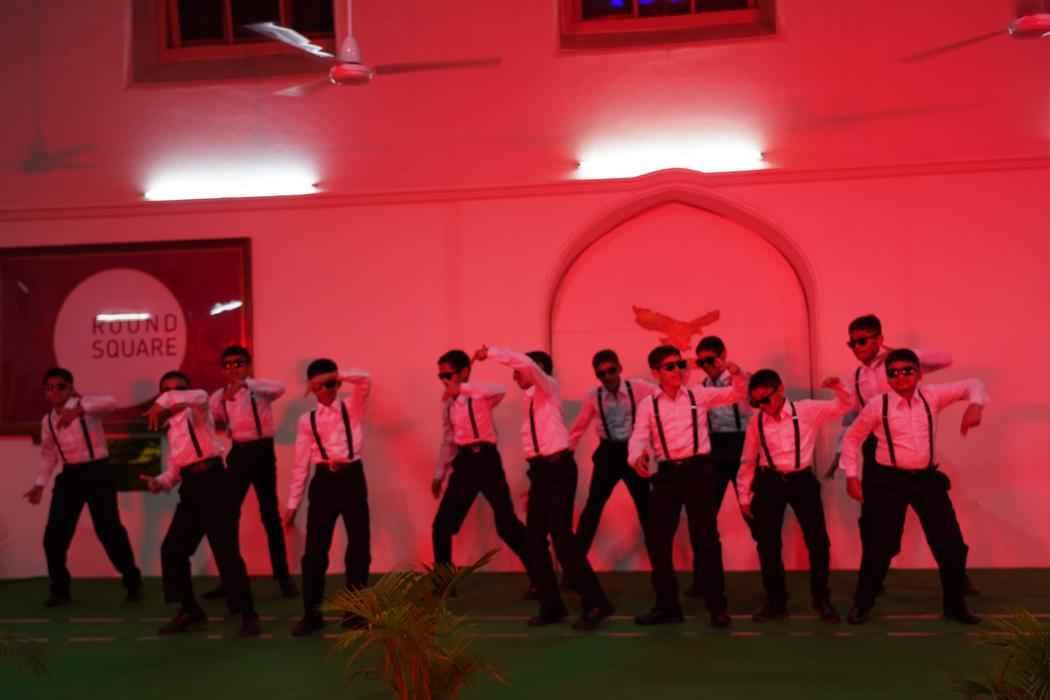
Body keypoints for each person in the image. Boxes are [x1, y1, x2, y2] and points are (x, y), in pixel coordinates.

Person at [832, 314, 977, 596]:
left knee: (942, 527)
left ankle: (957, 576)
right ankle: (874, 580)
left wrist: (901, 354)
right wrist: (842, 457)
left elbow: (946, 358)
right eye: (852, 343)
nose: (856, 348)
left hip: (911, 448)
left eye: (862, 341)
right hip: (876, 451)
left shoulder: (900, 364)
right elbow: (852, 420)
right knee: (874, 522)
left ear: (879, 339)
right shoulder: (856, 377)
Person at [474, 345, 614, 631]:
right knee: (533, 540)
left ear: (535, 370)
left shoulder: (548, 387)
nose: (515, 376)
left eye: (519, 371)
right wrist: (534, 482)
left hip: (558, 470)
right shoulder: (530, 401)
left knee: (563, 541)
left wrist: (492, 353)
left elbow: (525, 365)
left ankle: (597, 603)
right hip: (542, 473)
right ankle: (552, 606)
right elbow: (537, 448)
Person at [627, 345, 747, 628]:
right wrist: (635, 456)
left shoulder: (698, 395)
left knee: (706, 540)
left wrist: (737, 374)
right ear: (656, 372)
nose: (678, 371)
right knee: (657, 540)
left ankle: (717, 607)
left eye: (680, 364)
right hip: (667, 474)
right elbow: (638, 436)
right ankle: (667, 606)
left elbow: (736, 394)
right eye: (670, 366)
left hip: (699, 470)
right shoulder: (648, 405)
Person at [140, 370, 260, 637]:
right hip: (191, 489)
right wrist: (160, 482)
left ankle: (248, 614)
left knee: (226, 553)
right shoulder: (171, 428)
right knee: (173, 550)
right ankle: (190, 610)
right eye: (167, 390)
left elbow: (201, 395)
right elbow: (175, 468)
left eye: (179, 388)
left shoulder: (198, 411)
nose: (173, 394)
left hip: (215, 483)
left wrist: (165, 400)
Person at [736, 369, 851, 623]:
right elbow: (747, 460)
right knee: (767, 544)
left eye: (766, 399)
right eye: (756, 402)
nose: (762, 407)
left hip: (802, 481)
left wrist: (838, 386)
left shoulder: (806, 410)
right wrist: (743, 497)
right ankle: (775, 602)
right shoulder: (756, 422)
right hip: (769, 481)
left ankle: (821, 599)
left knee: (818, 542)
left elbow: (844, 406)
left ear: (780, 390)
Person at [24, 368, 142, 607]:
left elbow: (112, 402)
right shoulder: (48, 421)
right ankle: (60, 591)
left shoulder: (87, 406)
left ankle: (132, 579)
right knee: (54, 536)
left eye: (60, 386)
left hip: (98, 472)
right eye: (50, 387)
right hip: (70, 476)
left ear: (70, 388)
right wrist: (39, 484)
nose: (55, 391)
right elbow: (49, 455)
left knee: (109, 530)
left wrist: (79, 410)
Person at [431, 349, 534, 597]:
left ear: (464, 372)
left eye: (448, 375)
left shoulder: (480, 394)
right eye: (441, 376)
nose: (444, 380)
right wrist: (439, 473)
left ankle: (540, 576)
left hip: (487, 461)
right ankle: (444, 583)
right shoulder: (448, 404)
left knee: (507, 524)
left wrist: (462, 388)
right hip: (464, 463)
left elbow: (500, 390)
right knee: (441, 525)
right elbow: (448, 440)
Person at [202, 345, 297, 601]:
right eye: (228, 365)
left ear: (248, 366)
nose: (233, 368)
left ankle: (283, 577)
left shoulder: (259, 389)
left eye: (238, 363)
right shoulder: (217, 396)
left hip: (262, 452)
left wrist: (245, 385)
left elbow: (280, 388)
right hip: (238, 453)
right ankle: (230, 578)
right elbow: (210, 420)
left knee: (270, 515)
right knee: (227, 515)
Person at [285, 359, 372, 637]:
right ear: (312, 388)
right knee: (314, 552)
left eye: (332, 383)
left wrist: (338, 374)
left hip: (352, 478)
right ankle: (312, 613)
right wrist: (292, 503)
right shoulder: (306, 420)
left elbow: (365, 379)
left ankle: (355, 613)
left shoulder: (351, 407)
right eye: (321, 385)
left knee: (359, 547)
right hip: (323, 482)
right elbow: (300, 465)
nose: (329, 390)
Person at [566, 349, 656, 562]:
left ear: (619, 368)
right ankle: (575, 566)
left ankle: (660, 565)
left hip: (635, 453)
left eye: (611, 370)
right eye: (601, 374)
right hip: (608, 454)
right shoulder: (593, 397)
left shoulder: (641, 389)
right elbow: (578, 428)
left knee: (647, 508)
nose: (607, 377)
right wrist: (563, 454)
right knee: (593, 508)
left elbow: (666, 401)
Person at [685, 336, 755, 598]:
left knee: (753, 514)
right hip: (712, 451)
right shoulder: (701, 387)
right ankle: (702, 579)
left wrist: (736, 373)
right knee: (703, 517)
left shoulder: (742, 379)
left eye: (711, 360)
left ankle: (773, 581)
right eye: (701, 362)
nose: (706, 366)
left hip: (741, 446)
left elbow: (749, 399)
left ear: (723, 355)